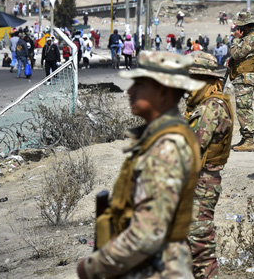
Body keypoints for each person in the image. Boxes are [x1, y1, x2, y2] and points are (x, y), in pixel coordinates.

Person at [77, 51, 204, 279]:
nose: (130, 91)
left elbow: (147, 234)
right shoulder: (157, 138)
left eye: (140, 84)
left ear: (164, 90)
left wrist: (92, 267)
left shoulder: (167, 146)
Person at [185, 52, 234, 279]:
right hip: (200, 179)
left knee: (199, 240)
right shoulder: (207, 103)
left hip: (202, 181)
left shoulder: (209, 107)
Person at [228, 12, 254, 152]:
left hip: (245, 77)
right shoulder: (249, 37)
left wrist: (236, 40)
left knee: (244, 108)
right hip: (243, 76)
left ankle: (249, 140)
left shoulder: (252, 38)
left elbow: (236, 54)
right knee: (242, 108)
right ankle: (245, 137)